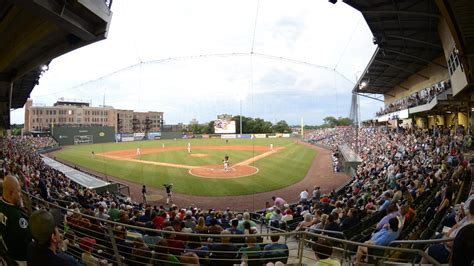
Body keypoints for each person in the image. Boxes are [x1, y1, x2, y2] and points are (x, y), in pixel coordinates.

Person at [0, 175, 31, 263]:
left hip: (9, 252)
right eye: (19, 191)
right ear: (10, 193)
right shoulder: (16, 216)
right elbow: (29, 239)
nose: (21, 194)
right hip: (22, 259)